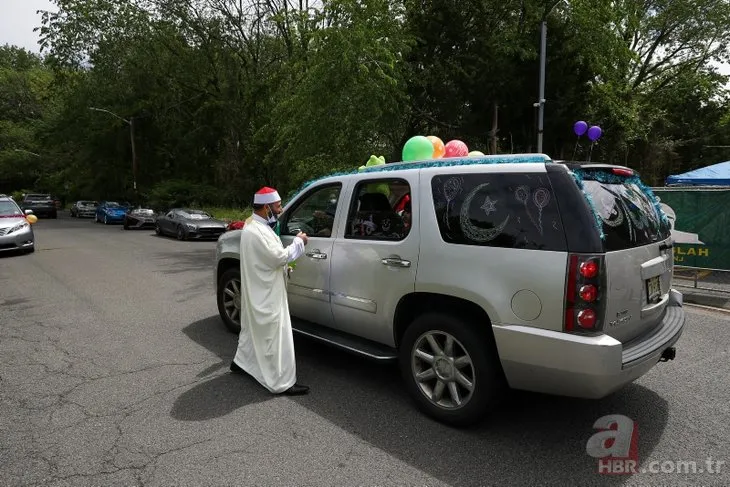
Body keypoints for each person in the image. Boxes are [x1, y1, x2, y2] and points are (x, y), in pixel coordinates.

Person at [230, 186, 311, 395]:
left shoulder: (254, 226)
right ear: (266, 208)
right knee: (275, 335)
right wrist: (298, 242)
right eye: (278, 206)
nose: (281, 209)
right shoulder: (256, 231)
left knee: (251, 329)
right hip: (266, 292)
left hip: (259, 288)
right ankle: (281, 382)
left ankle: (241, 362)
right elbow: (279, 257)